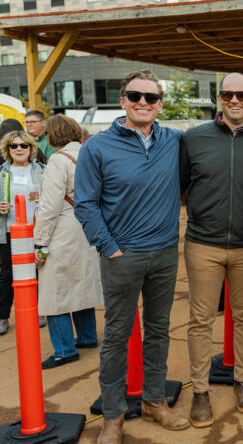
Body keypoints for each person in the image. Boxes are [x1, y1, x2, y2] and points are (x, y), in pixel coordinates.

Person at [75, 69, 190, 443]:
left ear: (160, 105)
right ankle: (113, 414)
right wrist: (109, 247)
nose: (144, 102)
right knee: (117, 337)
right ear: (122, 100)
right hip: (121, 256)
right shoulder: (97, 147)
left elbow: (214, 135)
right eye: (135, 95)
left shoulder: (174, 140)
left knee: (158, 331)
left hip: (165, 253)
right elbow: (86, 204)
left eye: (152, 98)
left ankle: (155, 401)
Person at [180, 73, 243, 427]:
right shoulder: (194, 137)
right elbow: (181, 184)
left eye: (241, 95)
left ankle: (242, 381)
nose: (234, 100)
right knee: (201, 319)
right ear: (219, 98)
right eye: (228, 94)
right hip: (203, 243)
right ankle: (200, 390)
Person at [34, 115, 103, 368]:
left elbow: (49, 207)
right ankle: (87, 336)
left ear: (52, 136)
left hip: (62, 230)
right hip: (88, 227)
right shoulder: (90, 154)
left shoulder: (57, 161)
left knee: (54, 293)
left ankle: (64, 349)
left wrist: (39, 242)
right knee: (81, 285)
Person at [0, 131, 44, 337]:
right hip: (8, 232)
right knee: (7, 275)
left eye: (23, 145)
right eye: (13, 146)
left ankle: (39, 311)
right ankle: (2, 317)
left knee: (37, 272)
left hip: (36, 231)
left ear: (31, 148)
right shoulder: (1, 173)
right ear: (7, 150)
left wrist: (42, 196)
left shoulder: (42, 171)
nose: (19, 149)